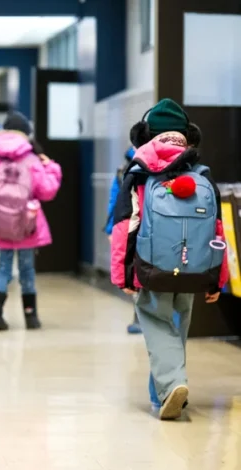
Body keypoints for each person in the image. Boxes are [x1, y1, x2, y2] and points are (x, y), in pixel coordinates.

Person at [110, 98, 229, 420]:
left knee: (155, 323)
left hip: (152, 268)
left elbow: (124, 227)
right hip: (194, 269)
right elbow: (218, 233)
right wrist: (218, 279)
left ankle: (173, 384)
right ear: (188, 136)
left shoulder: (138, 174)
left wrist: (122, 275)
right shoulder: (201, 172)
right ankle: (164, 394)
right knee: (176, 330)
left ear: (145, 135)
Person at [0, 111, 62, 331]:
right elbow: (47, 191)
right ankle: (31, 316)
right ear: (25, 134)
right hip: (27, 225)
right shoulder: (32, 159)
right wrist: (51, 166)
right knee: (27, 269)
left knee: (2, 268)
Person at [105, 146, 142, 334]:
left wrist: (111, 229)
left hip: (131, 229)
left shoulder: (124, 170)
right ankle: (140, 317)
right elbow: (115, 202)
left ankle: (141, 318)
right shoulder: (124, 170)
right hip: (135, 229)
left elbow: (114, 203)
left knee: (136, 272)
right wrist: (110, 229)